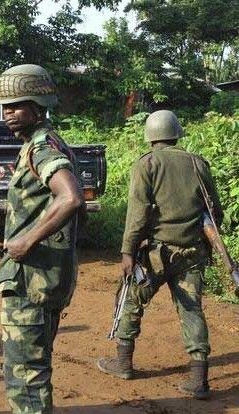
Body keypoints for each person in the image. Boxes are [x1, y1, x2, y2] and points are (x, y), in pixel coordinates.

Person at [97, 110, 222, 400]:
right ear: (177, 132)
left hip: (156, 254)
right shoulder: (197, 162)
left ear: (150, 136)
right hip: (192, 253)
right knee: (192, 310)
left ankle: (123, 363)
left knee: (130, 300)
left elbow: (137, 214)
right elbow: (215, 212)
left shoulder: (148, 164)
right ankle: (198, 379)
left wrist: (128, 251)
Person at [0, 64, 82, 414]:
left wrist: (26, 241)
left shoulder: (42, 149)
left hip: (31, 280)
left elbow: (71, 198)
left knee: (25, 377)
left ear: (38, 105)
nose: (7, 114)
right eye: (4, 107)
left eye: (15, 106)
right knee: (34, 368)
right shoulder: (45, 142)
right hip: (46, 277)